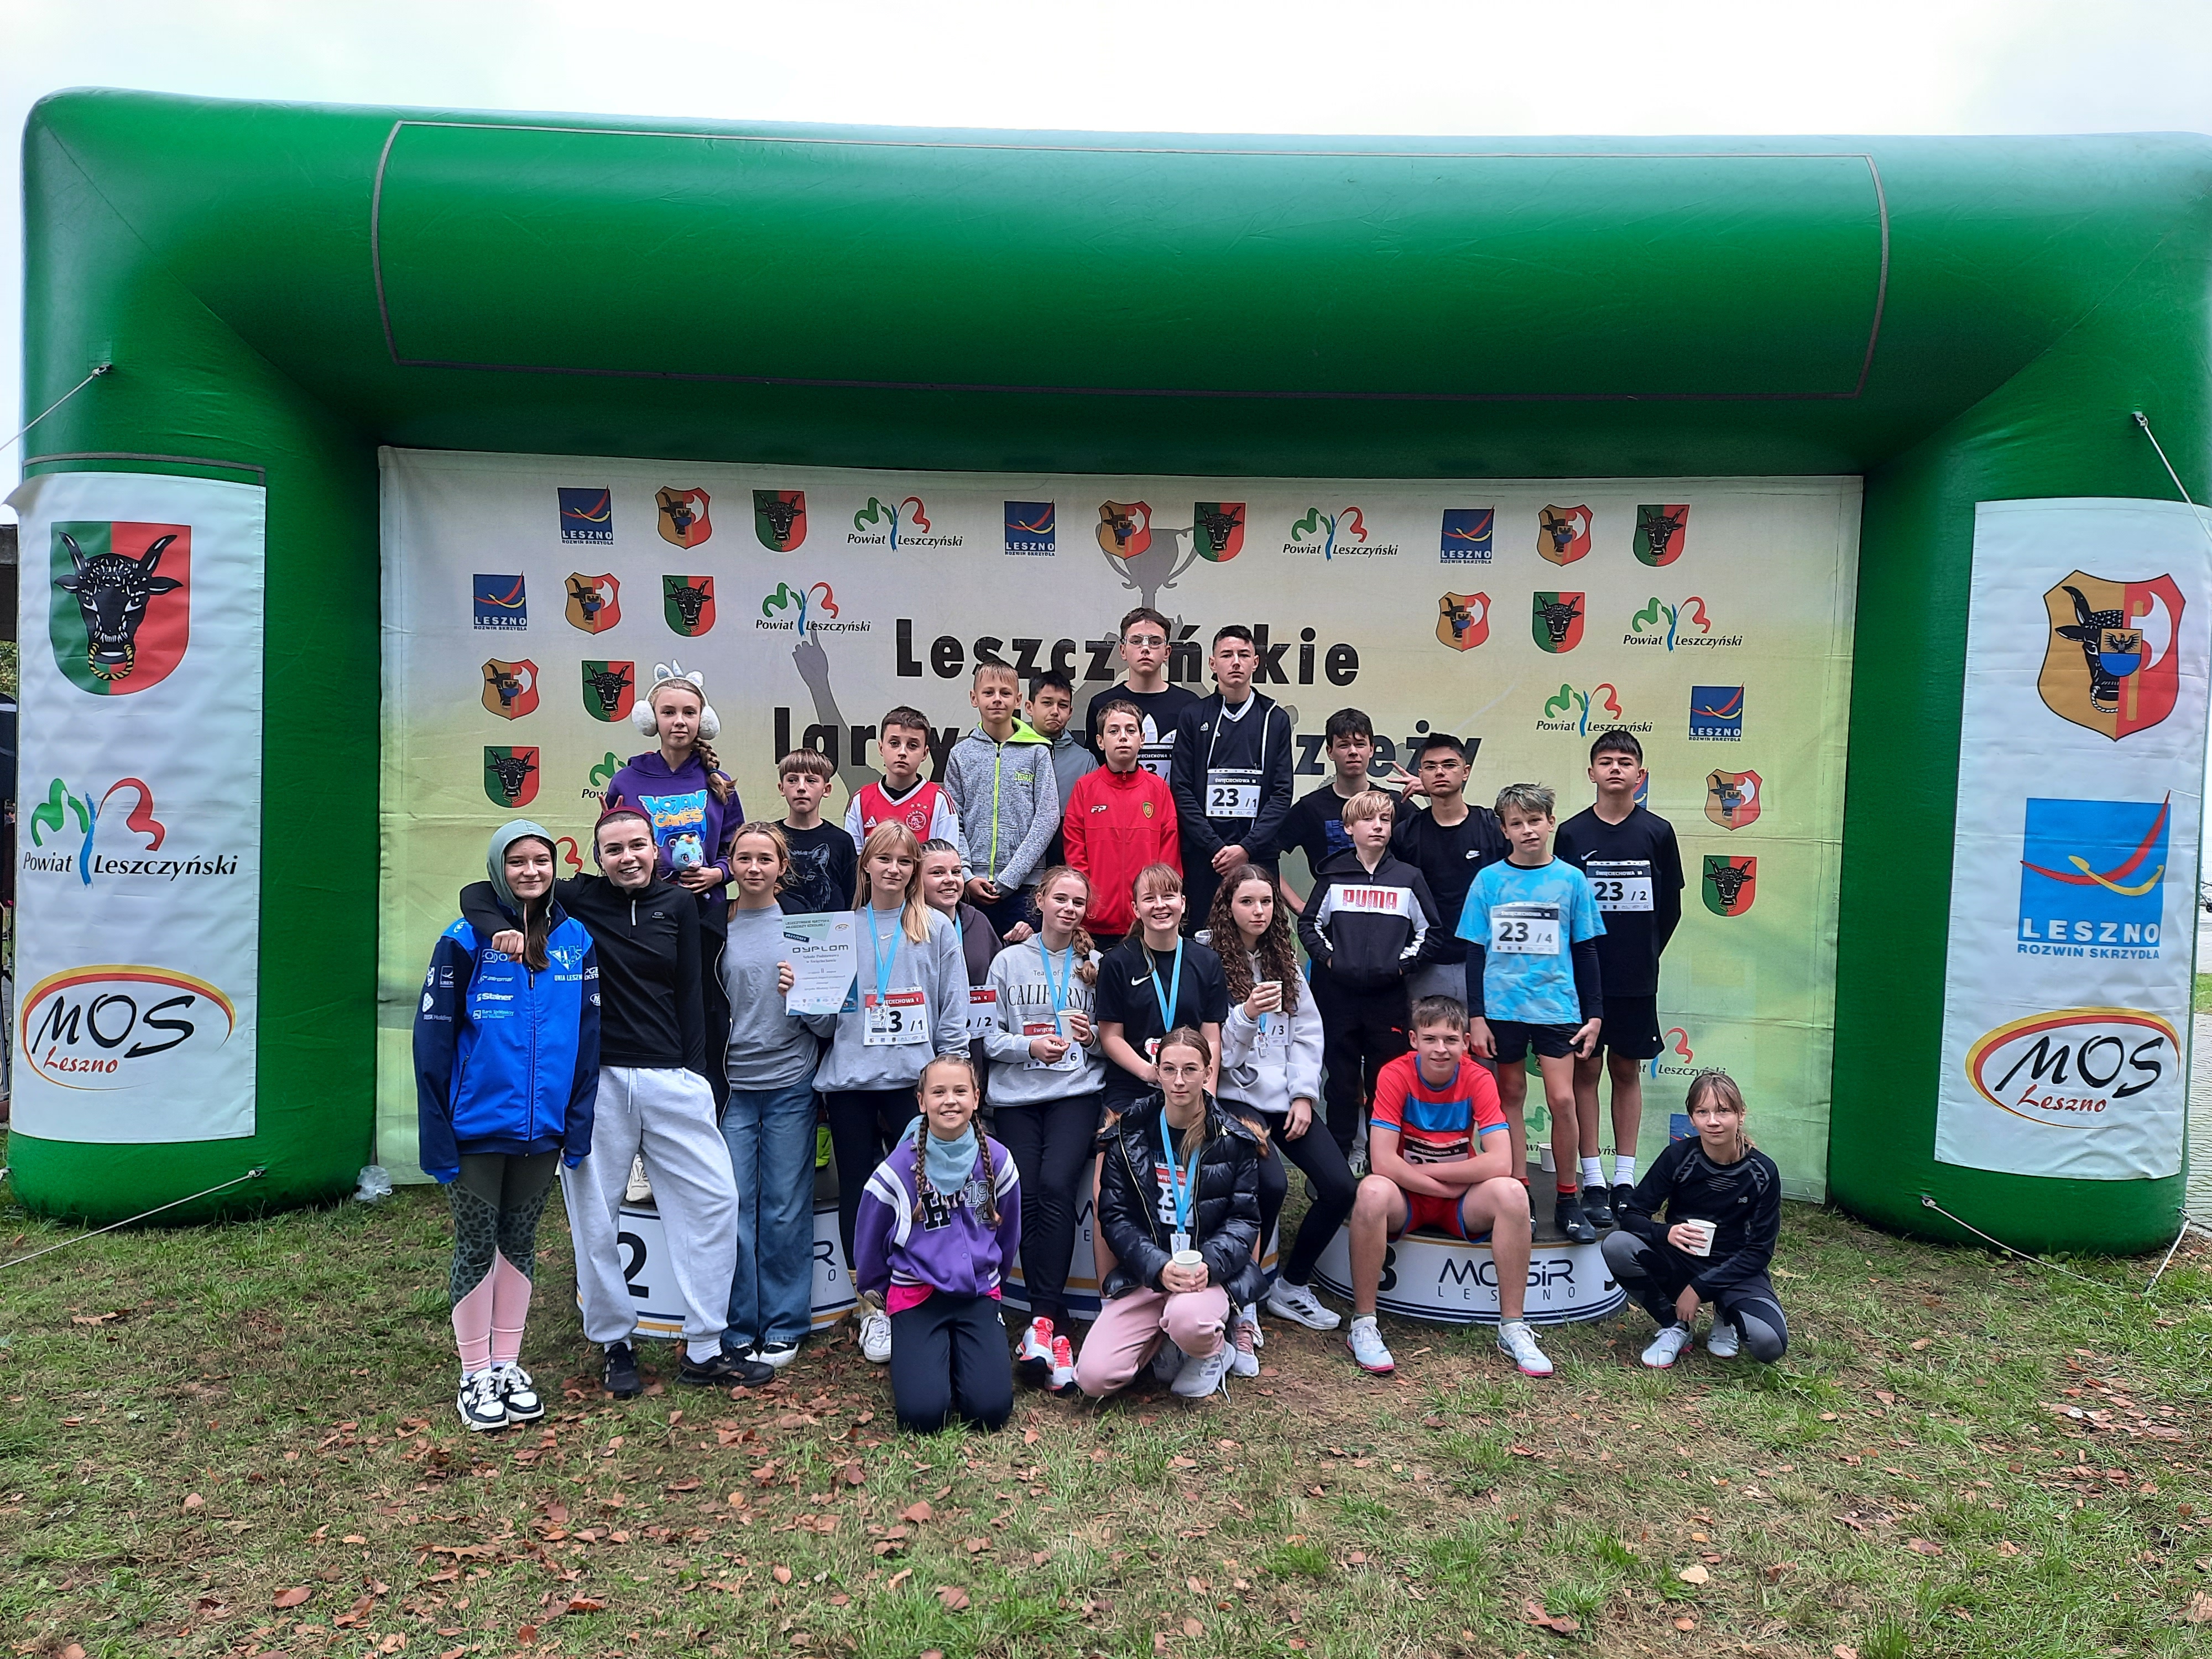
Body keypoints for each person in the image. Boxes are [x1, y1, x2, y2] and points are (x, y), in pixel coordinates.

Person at [457, 809, 769, 1397]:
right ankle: (614, 1343)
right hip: (598, 1083)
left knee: (714, 1202)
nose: (628, 857)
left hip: (673, 1078)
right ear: (598, 858)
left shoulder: (677, 904)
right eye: (615, 849)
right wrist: (498, 928)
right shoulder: (577, 899)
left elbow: (691, 992)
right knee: (596, 1217)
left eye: (638, 846)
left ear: (656, 849)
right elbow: (479, 891)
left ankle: (705, 1347)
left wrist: (697, 1077)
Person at [415, 821, 601, 1430]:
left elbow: (588, 1040)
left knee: (520, 1244)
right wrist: (437, 1130)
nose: (531, 871)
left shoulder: (576, 940)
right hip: (475, 1128)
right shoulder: (462, 939)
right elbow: (432, 1044)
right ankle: (474, 1375)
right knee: (476, 1244)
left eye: (541, 861)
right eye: (517, 862)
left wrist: (576, 1123)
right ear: (499, 868)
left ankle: (507, 1365)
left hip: (542, 1129)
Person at [817, 821, 972, 1366]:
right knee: (861, 1195)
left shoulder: (936, 927)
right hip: (852, 1081)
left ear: (914, 871)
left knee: (930, 1189)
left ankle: (931, 1290)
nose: (894, 869)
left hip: (914, 1083)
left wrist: (950, 1080)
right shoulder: (839, 928)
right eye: (884, 859)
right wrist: (805, 996)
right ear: (866, 864)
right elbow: (822, 1024)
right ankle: (871, 1307)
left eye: (905, 861)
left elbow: (953, 1008)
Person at [1340, 997, 1554, 1379]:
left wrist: (1437, 1175)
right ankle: (1364, 1323)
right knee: (1371, 1191)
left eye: (1451, 1040)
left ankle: (1513, 1327)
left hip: (1458, 1199)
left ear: (1466, 1042)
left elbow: (1501, 1162)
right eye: (1431, 1039)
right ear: (1414, 1040)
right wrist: (1442, 1185)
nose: (1441, 1049)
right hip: (1413, 1196)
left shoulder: (1478, 1078)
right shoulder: (1394, 1074)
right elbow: (1384, 1162)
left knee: (1512, 1193)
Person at [1207, 865, 1355, 1354]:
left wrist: (1304, 1096)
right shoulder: (1208, 960)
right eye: (1247, 902)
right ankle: (1244, 1296)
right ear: (1228, 907)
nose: (1259, 912)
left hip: (1286, 1099)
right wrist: (1248, 1014)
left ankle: (1290, 1285)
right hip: (1234, 1098)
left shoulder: (1284, 959)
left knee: (1339, 1187)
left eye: (1267, 902)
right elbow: (1220, 1053)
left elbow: (1307, 1035)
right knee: (1269, 1186)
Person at [1077, 1027, 1262, 1402]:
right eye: (1169, 1069)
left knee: (1188, 1321)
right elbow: (1115, 1217)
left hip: (1203, 1276)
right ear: (1157, 1073)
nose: (1179, 1081)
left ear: (1208, 1073)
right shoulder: (1127, 1134)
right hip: (1149, 1273)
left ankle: (1214, 1351)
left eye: (1190, 1070)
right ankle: (1164, 1339)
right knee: (1093, 1379)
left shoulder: (1234, 1140)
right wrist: (1158, 1266)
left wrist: (1209, 1264)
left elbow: (1244, 1220)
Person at [1457, 784, 1606, 1245]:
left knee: (1563, 1100)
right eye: (1517, 823)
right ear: (1504, 830)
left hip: (1556, 1007)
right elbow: (1474, 954)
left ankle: (1568, 1198)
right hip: (1503, 1008)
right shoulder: (1488, 881)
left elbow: (1586, 950)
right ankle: (1520, 1192)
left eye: (1535, 821)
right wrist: (1477, 1017)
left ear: (1550, 822)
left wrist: (1595, 1015)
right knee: (1511, 1096)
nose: (1527, 830)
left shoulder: (1572, 880)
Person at [980, 867, 1105, 1392]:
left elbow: (1111, 1040)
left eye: (1079, 902)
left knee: (1055, 1186)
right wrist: (1028, 1046)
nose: (1070, 909)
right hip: (1017, 1096)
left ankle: (1043, 1320)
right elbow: (987, 1037)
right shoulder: (1007, 961)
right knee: (1025, 1192)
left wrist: (1091, 1036)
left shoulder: (1095, 965)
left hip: (1075, 1093)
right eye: (1061, 899)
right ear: (1041, 901)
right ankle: (1046, 1323)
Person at [721, 822, 840, 1372]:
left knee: (785, 1208)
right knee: (734, 1208)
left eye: (764, 859)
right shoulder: (713, 924)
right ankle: (739, 1324)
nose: (753, 868)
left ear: (781, 867)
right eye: (743, 858)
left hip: (791, 1082)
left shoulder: (804, 925)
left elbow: (828, 1024)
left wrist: (805, 996)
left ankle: (786, 1323)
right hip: (732, 1088)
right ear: (730, 864)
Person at [1554, 731, 1684, 1227]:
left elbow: (1669, 909)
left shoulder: (1658, 832)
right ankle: (1592, 1180)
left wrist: (1644, 955)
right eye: (1605, 761)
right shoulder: (1571, 834)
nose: (1615, 769)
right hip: (1583, 981)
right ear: (1591, 772)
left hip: (1635, 979)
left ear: (1640, 775)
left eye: (1625, 762)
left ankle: (1625, 1181)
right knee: (1586, 1072)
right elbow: (1562, 909)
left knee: (1626, 1070)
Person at [854, 1052, 1021, 1432]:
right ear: (921, 1101)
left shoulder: (998, 1161)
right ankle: (924, 1351)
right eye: (939, 1092)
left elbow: (1009, 1233)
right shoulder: (897, 1169)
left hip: (977, 1293)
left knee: (990, 1411)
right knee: (923, 1416)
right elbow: (870, 1241)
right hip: (917, 1297)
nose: (950, 1101)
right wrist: (883, 1294)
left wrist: (993, 1279)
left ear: (976, 1098)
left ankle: (967, 1350)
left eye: (960, 1091)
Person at [606, 664, 742, 1107]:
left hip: (705, 917)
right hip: (647, 918)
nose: (679, 721)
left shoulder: (718, 782)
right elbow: (609, 845)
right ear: (652, 719)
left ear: (703, 720)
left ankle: (703, 1100)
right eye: (669, 712)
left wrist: (718, 874)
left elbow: (736, 848)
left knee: (702, 1008)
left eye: (689, 712)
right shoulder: (627, 781)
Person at [1603, 1070, 1786, 1368]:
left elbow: (1759, 1252)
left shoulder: (1763, 1171)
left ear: (1741, 1115)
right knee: (1617, 1246)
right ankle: (1675, 1326)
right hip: (1682, 1260)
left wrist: (1700, 1288)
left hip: (1736, 1268)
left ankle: (1726, 1315)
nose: (1713, 1121)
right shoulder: (1678, 1157)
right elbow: (1633, 1215)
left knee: (1770, 1344)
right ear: (1691, 1119)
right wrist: (1666, 1233)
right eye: (1703, 1112)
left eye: (1723, 1111)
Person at [1296, 789, 1441, 1162]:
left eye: (1385, 820)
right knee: (1341, 1085)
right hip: (1337, 999)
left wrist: (1400, 966)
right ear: (1348, 828)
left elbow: (1431, 933)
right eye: (1367, 819)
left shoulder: (1408, 877)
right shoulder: (1333, 874)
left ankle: (1384, 1164)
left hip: (1387, 1000)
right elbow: (1309, 925)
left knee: (1386, 1083)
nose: (1378, 827)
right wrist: (1330, 960)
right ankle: (1338, 1165)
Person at [1169, 625, 1295, 928]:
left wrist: (1247, 848)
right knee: (1203, 938)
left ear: (1256, 662)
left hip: (1257, 854)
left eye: (1244, 655)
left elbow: (1281, 793)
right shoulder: (1193, 715)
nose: (1236, 662)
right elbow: (1182, 788)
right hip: (1206, 856)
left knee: (1261, 938)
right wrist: (1215, 846)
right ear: (1213, 664)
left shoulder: (1275, 718)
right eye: (1227, 655)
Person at [1094, 863, 1228, 1113]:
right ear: (1136, 909)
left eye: (1168, 896)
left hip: (1190, 1085)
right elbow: (1111, 1037)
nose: (1160, 905)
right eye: (1149, 899)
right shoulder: (1116, 962)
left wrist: (1207, 1096)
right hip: (1133, 1085)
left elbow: (1211, 1038)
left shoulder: (1207, 961)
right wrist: (1150, 1072)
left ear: (1183, 903)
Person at [943, 661, 1060, 937]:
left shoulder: (1037, 752)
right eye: (989, 692)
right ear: (974, 698)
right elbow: (953, 820)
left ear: (1018, 700)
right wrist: (967, 876)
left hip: (1025, 887)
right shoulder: (961, 755)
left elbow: (1047, 818)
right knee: (975, 958)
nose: (997, 699)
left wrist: (1011, 878)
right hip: (972, 886)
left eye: (1005, 693)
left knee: (1020, 958)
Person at [1392, 733, 1509, 1011]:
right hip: (1427, 962)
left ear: (1465, 772)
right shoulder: (1405, 834)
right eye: (1431, 767)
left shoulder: (1492, 827)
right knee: (1430, 1038)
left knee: (1483, 1039)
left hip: (1485, 960)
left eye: (1449, 765)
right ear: (1421, 775)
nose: (1440, 772)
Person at [1062, 696, 1180, 952]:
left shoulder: (1158, 789)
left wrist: (1158, 903)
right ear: (1100, 741)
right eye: (1113, 731)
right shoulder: (1085, 788)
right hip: (1096, 924)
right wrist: (1090, 904)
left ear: (1142, 739)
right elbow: (1075, 853)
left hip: (1147, 922)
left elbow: (1169, 857)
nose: (1123, 737)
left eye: (1130, 730)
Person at [1277, 708, 1399, 916]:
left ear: (1372, 749)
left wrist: (1430, 791)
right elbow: (1263, 854)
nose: (1353, 752)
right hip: (1332, 916)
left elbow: (1436, 840)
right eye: (1344, 745)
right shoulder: (1310, 808)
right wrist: (1297, 905)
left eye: (1360, 744)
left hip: (1388, 914)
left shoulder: (1393, 804)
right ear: (1330, 751)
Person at [920, 837, 1008, 1070]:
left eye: (956, 872)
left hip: (975, 1049)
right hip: (923, 1054)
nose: (950, 879)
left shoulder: (978, 921)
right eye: (938, 873)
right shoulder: (908, 928)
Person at [846, 705, 966, 855]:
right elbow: (853, 859)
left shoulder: (939, 800)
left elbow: (946, 860)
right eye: (894, 744)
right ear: (881, 748)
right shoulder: (861, 799)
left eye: (912, 745)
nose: (902, 752)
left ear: (925, 754)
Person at [1099, 605, 1199, 781]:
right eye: (1136, 641)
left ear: (1167, 652)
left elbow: (1195, 769)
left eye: (1154, 642)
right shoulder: (1102, 704)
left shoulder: (1190, 705)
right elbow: (1098, 772)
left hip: (1174, 799)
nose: (1145, 648)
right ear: (1123, 650)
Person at [773, 748, 858, 917]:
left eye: (811, 780)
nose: (801, 788)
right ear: (782, 788)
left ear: (826, 789)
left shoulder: (842, 841)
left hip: (831, 930)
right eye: (792, 780)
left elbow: (852, 895)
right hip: (779, 929)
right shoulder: (770, 838)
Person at [1027, 669, 1096, 868]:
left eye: (1063, 705)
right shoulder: (1011, 751)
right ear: (1029, 707)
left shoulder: (1085, 761)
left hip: (1066, 865)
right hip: (1018, 866)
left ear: (1071, 712)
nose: (1055, 711)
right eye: (1047, 703)